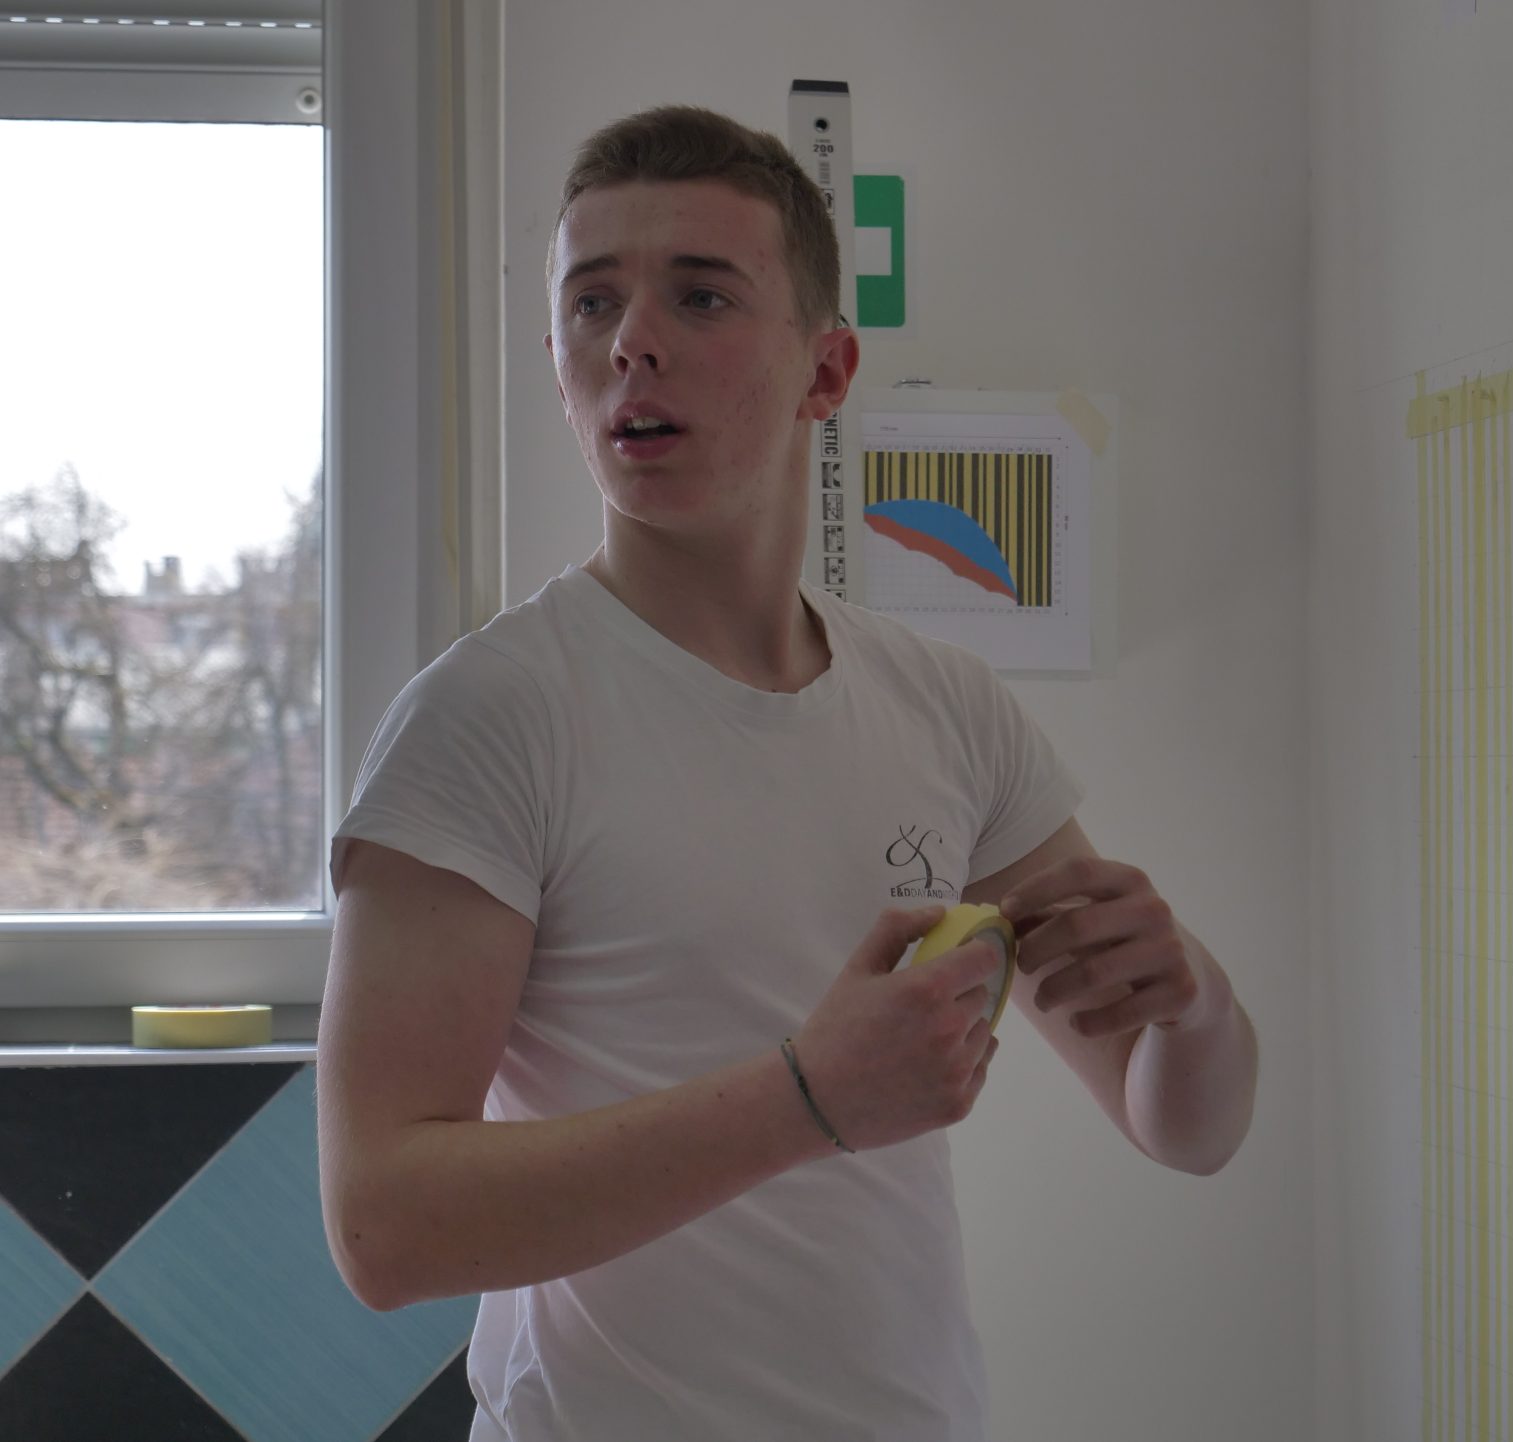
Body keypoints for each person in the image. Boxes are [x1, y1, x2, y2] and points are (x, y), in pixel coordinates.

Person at [314, 104, 1258, 1441]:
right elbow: (383, 1227)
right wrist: (806, 1099)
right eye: (593, 303)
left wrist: (1194, 1000)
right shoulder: (485, 718)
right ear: (560, 364)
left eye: (700, 295)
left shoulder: (944, 706)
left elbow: (1188, 1129)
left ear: (828, 370)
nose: (632, 341)